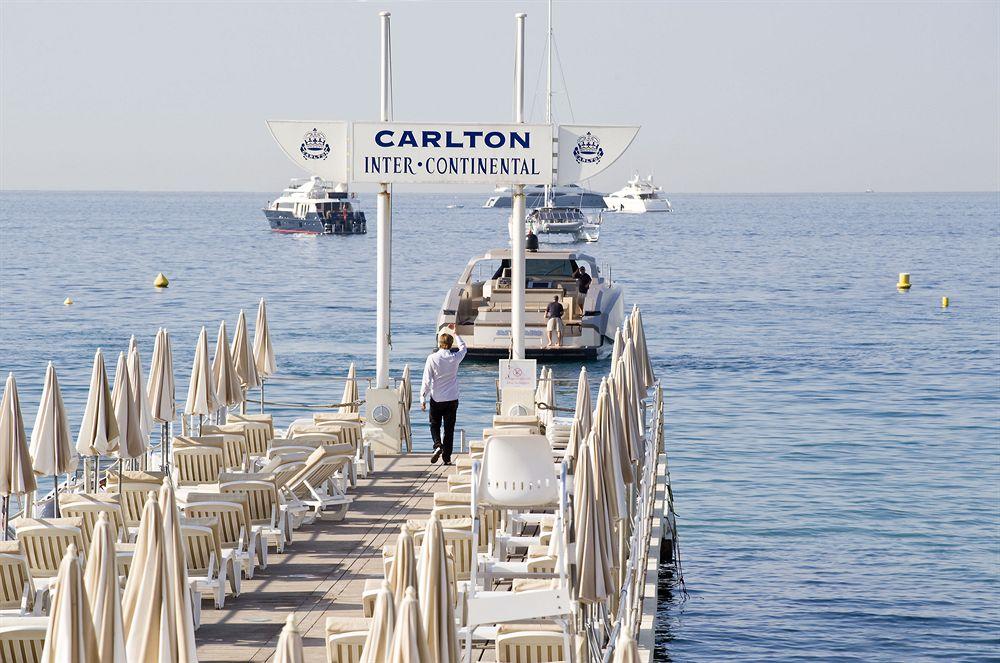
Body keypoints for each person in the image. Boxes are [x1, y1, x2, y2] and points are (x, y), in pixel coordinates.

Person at [420, 324, 467, 465]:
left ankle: (437, 445)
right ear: (451, 344)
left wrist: (422, 397)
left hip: (437, 398)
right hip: (452, 399)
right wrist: (456, 333)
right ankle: (447, 459)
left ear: (439, 344)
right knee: (449, 429)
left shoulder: (432, 358)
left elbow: (426, 380)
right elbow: (464, 348)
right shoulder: (455, 357)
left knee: (434, 424)